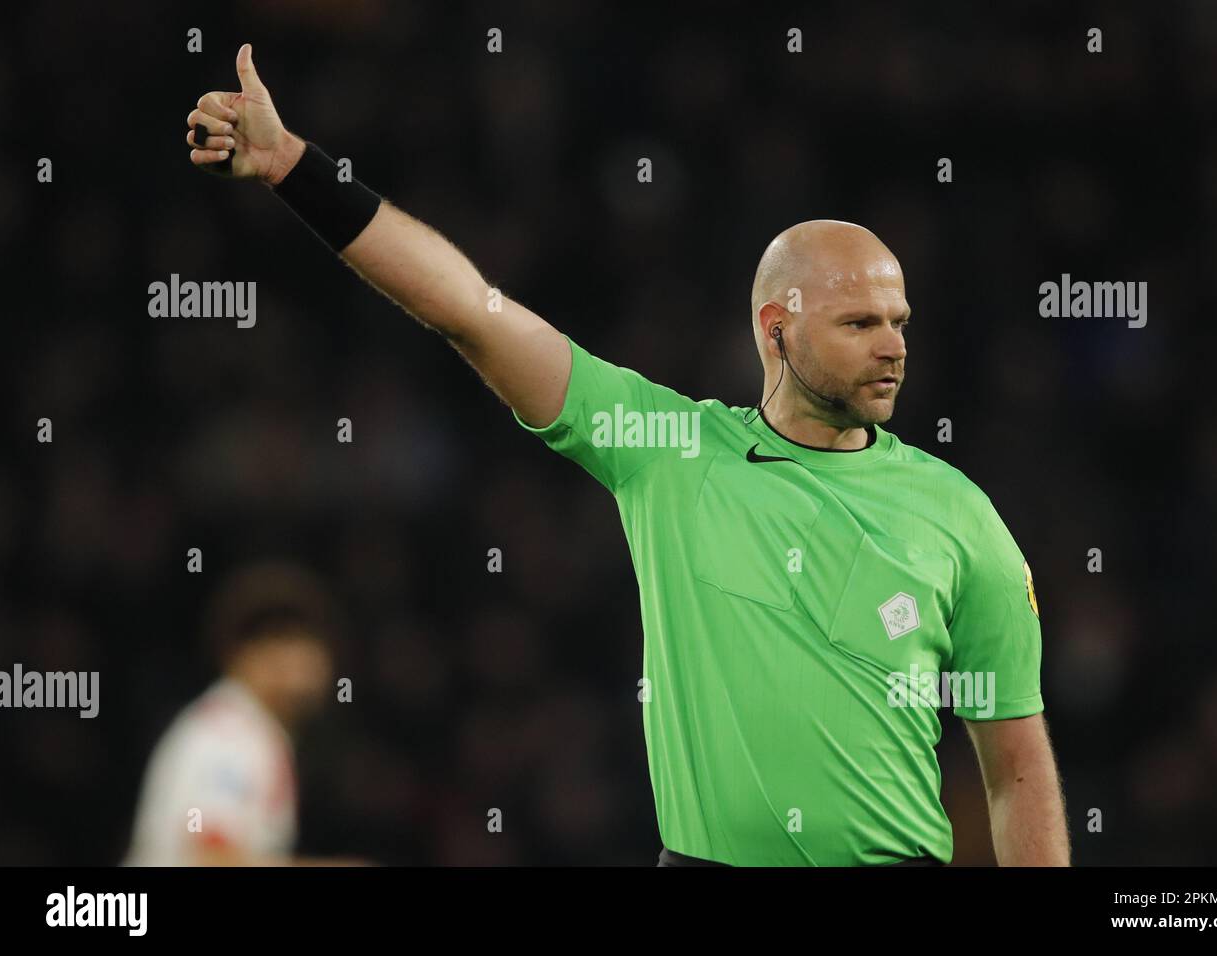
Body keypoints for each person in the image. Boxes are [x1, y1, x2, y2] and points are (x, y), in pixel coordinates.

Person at [183, 44, 1070, 866]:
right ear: (776, 328)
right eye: (860, 323)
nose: (893, 345)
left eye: (899, 323)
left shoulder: (958, 512)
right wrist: (294, 167)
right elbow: (468, 308)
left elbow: (1017, 765)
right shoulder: (670, 451)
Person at [124, 561, 350, 866]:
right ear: (236, 655)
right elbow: (210, 859)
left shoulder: (253, 730)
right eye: (273, 640)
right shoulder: (229, 736)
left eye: (303, 640)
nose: (294, 661)